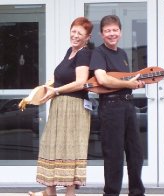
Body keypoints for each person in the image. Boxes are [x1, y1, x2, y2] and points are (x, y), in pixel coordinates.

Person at [28, 16, 93, 196]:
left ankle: (69, 193)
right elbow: (61, 78)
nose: (75, 35)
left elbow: (80, 82)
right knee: (53, 145)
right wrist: (47, 89)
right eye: (73, 31)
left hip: (73, 107)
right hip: (60, 106)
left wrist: (56, 91)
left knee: (68, 147)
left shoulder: (84, 53)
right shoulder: (69, 51)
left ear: (88, 37)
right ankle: (50, 190)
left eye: (80, 33)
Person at [89, 15, 145, 196]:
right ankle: (111, 193)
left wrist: (136, 84)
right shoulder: (98, 53)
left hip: (128, 106)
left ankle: (137, 192)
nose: (111, 34)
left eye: (115, 30)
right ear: (101, 34)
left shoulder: (122, 54)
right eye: (107, 31)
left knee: (135, 152)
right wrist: (129, 84)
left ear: (120, 32)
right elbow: (103, 79)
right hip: (111, 107)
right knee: (114, 155)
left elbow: (125, 81)